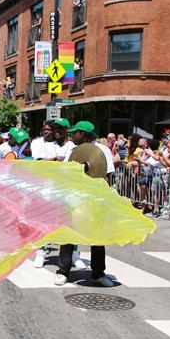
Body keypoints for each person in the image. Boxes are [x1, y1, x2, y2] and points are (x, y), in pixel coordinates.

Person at [55, 121, 114, 287]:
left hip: (94, 199)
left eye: (75, 133)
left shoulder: (102, 151)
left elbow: (107, 176)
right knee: (68, 236)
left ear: (82, 134)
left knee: (97, 237)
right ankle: (63, 272)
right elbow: (65, 172)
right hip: (74, 198)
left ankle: (98, 274)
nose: (72, 135)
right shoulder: (72, 150)